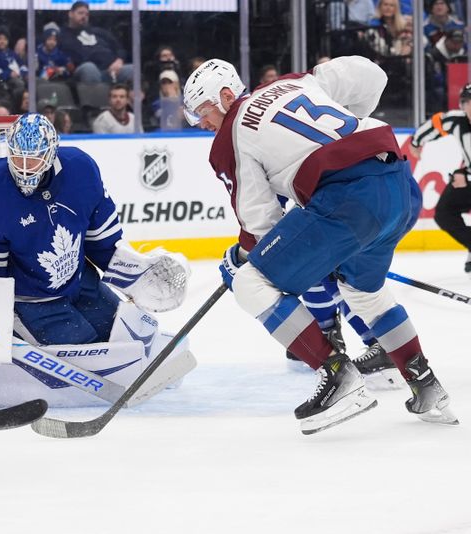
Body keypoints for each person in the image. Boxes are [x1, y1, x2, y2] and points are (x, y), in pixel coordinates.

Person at [183, 56, 457, 434]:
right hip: (398, 183)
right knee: (364, 293)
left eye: (203, 113)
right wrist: (342, 134)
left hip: (348, 201)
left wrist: (244, 256)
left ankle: (338, 377)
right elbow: (370, 74)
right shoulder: (295, 81)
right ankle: (426, 385)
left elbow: (259, 222)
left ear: (226, 96)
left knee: (248, 282)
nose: (203, 125)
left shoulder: (231, 134)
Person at [0, 113, 188, 349]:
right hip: (33, 301)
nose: (24, 168)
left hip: (81, 283)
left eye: (34, 159)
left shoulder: (80, 170)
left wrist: (135, 275)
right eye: (18, 157)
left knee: (132, 339)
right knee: (91, 349)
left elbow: (102, 242)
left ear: (51, 153)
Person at [411, 83, 471, 274]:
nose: (470, 107)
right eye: (467, 103)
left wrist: (467, 178)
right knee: (444, 213)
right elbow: (437, 123)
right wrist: (416, 142)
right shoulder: (458, 121)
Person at [59, 0, 133, 83]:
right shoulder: (63, 35)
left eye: (86, 14)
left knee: (132, 70)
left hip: (111, 70)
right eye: (80, 13)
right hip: (85, 70)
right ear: (70, 14)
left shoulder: (99, 32)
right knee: (89, 68)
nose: (84, 16)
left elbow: (120, 49)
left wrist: (119, 61)